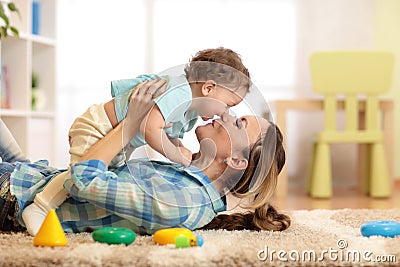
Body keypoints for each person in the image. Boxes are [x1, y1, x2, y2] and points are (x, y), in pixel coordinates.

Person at [1, 77, 290, 235]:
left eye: (240, 123)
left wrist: (130, 125)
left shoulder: (181, 201)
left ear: (237, 162)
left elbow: (82, 180)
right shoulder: (186, 172)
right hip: (34, 174)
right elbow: (108, 172)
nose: (228, 114)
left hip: (15, 196)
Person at [22, 48, 252, 234]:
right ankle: (40, 206)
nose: (225, 114)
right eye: (229, 105)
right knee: (78, 173)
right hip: (99, 125)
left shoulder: (190, 111)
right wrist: (173, 154)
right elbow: (150, 128)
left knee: (106, 173)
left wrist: (179, 147)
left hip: (120, 137)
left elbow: (168, 131)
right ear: (209, 88)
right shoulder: (180, 94)